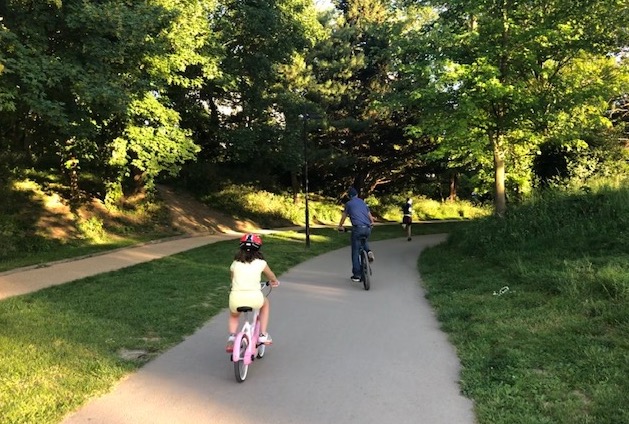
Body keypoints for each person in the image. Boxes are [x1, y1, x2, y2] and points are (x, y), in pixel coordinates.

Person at [226, 233, 280, 352]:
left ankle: (232, 337)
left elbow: (232, 279)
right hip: (255, 298)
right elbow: (271, 275)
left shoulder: (235, 263)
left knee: (234, 315)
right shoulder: (261, 263)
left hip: (236, 298)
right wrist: (274, 281)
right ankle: (262, 335)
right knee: (265, 304)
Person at [337, 187, 376, 282]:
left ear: (349, 196)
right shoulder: (362, 202)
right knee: (364, 240)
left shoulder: (349, 204)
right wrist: (371, 223)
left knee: (355, 251)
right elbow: (369, 215)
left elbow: (344, 216)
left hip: (357, 228)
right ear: (357, 195)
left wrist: (340, 226)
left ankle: (357, 275)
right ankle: (369, 251)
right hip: (367, 228)